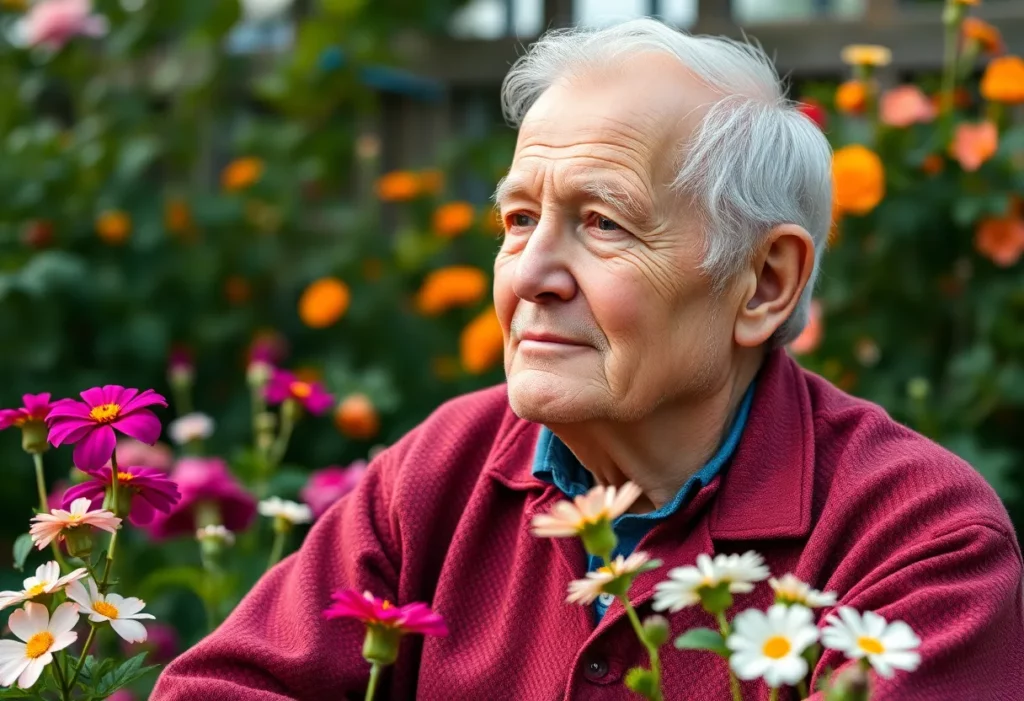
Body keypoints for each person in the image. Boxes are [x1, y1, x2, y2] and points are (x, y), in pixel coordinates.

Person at [152, 18, 1024, 700]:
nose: (529, 273)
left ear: (764, 282)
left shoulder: (917, 540)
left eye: (603, 222)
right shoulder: (439, 473)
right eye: (520, 219)